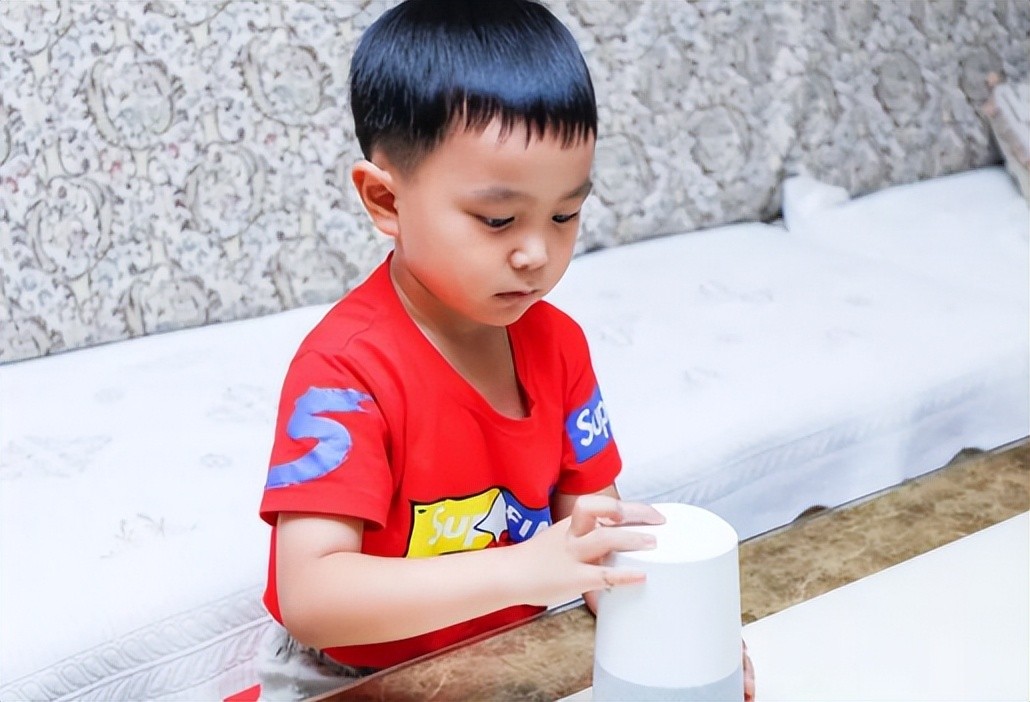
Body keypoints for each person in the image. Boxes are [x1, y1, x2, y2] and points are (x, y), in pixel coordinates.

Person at [257, 1, 755, 700]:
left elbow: (591, 536)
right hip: (350, 676)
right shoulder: (344, 370)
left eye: (565, 214)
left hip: (503, 653)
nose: (536, 254)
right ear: (386, 201)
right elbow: (313, 596)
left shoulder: (559, 345)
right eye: (497, 220)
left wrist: (673, 631)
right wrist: (520, 570)